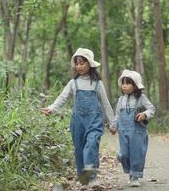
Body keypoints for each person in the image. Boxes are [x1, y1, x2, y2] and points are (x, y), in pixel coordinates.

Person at [41, 48, 116, 185]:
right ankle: (83, 179)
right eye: (77, 63)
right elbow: (62, 98)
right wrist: (51, 108)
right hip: (78, 123)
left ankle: (92, 178)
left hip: (94, 121)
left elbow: (106, 104)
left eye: (82, 63)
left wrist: (112, 123)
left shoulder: (98, 84)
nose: (79, 66)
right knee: (79, 150)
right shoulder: (73, 83)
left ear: (90, 64)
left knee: (91, 147)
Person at [112, 69, 156, 187]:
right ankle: (125, 164)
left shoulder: (141, 98)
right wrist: (114, 125)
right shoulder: (121, 100)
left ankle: (135, 176)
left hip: (137, 131)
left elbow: (151, 109)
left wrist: (144, 114)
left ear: (136, 85)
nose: (124, 86)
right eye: (123, 83)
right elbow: (117, 114)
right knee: (124, 154)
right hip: (123, 131)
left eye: (128, 83)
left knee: (137, 153)